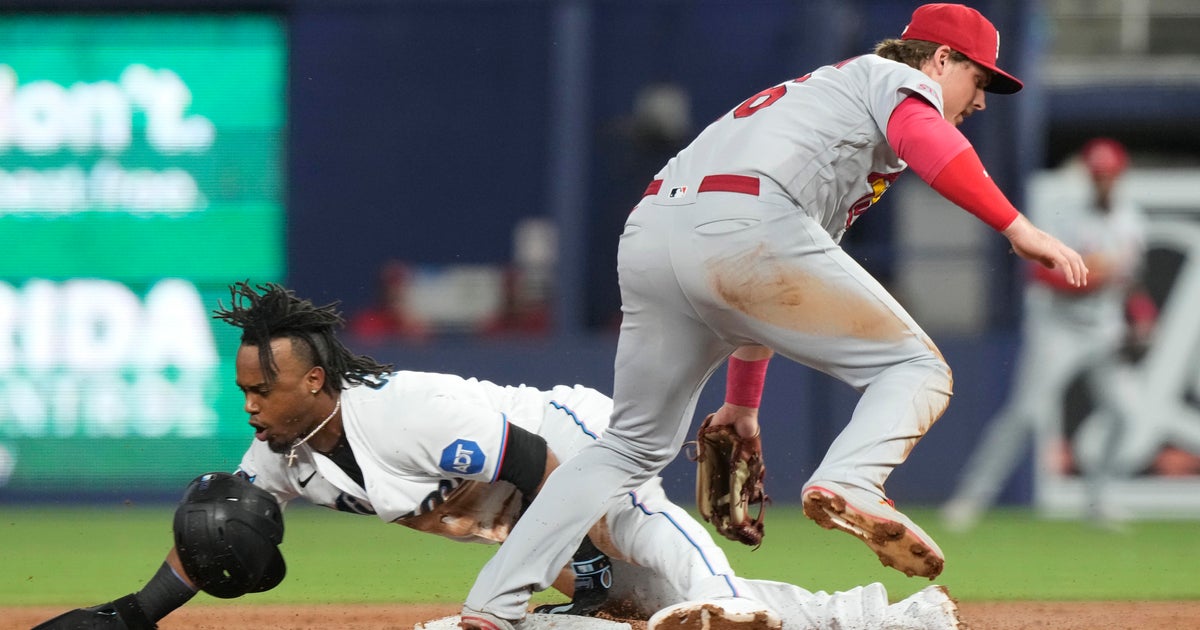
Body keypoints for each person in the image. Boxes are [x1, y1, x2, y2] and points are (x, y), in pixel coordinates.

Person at [462, 3, 1090, 627]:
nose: (980, 101)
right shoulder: (891, 78)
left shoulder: (826, 112)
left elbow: (766, 284)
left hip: (656, 229)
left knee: (628, 447)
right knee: (916, 369)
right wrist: (1016, 226)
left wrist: (742, 405)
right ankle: (851, 479)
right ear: (941, 59)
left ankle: (492, 602)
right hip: (747, 220)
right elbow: (922, 141)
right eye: (979, 79)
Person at [34, 282, 965, 630]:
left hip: (579, 453)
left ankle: (760, 605)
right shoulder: (284, 452)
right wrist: (138, 612)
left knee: (688, 591)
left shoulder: (402, 411)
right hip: (531, 522)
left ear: (313, 382)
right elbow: (216, 531)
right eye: (243, 390)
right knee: (663, 614)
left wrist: (587, 560)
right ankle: (885, 621)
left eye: (261, 389)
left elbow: (529, 458)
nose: (248, 405)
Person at [941, 138, 1150, 531]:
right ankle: (970, 497)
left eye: (1109, 175)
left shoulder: (1131, 220)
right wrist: (1093, 275)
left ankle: (1099, 499)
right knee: (1026, 414)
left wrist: (1141, 315)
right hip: (1060, 327)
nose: (1103, 181)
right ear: (1088, 176)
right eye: (1097, 174)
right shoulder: (1066, 215)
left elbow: (1130, 282)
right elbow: (1038, 272)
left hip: (1105, 329)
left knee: (1127, 413)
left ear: (1120, 176)